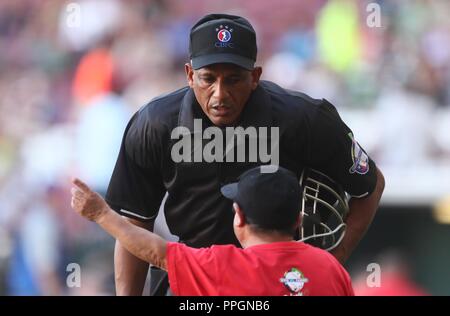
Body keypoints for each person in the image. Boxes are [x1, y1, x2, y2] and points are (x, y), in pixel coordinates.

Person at [105, 13, 385, 295]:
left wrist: (333, 258)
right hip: (194, 279)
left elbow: (369, 186)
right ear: (190, 75)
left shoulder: (304, 118)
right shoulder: (155, 124)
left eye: (233, 79)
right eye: (208, 79)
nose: (220, 94)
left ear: (255, 77)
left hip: (280, 283)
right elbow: (135, 222)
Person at [71, 166, 354, 296]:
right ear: (298, 220)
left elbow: (155, 252)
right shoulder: (330, 268)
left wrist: (101, 214)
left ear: (238, 217)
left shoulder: (222, 266)